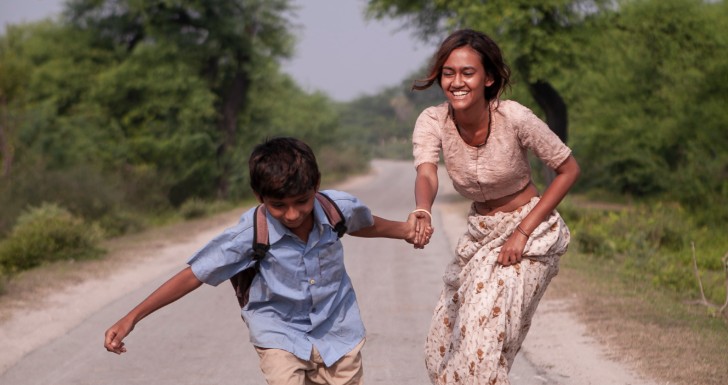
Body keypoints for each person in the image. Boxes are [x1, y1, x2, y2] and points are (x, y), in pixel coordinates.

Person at [104, 136, 432, 385]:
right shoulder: (249, 234)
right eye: (279, 205)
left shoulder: (337, 208)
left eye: (301, 202)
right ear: (259, 197)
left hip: (338, 330)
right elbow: (195, 274)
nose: (292, 214)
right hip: (279, 333)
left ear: (315, 186)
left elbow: (366, 224)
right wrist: (132, 317)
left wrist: (405, 230)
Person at [409, 29, 580, 384]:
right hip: (480, 234)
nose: (457, 82)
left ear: (487, 78)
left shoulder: (513, 117)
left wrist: (522, 232)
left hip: (530, 234)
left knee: (481, 341)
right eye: (448, 73)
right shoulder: (432, 121)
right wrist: (423, 209)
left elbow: (567, 168)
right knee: (440, 349)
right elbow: (426, 172)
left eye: (467, 73)